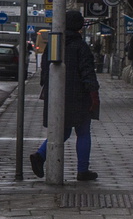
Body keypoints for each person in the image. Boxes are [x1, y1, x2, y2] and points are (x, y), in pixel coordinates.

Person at [32, 9, 99, 181]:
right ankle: (82, 170)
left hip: (56, 95)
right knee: (83, 131)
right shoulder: (81, 46)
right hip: (79, 96)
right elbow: (87, 72)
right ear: (79, 26)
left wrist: (47, 89)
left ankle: (40, 155)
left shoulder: (54, 44)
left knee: (62, 131)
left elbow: (45, 70)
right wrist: (94, 94)